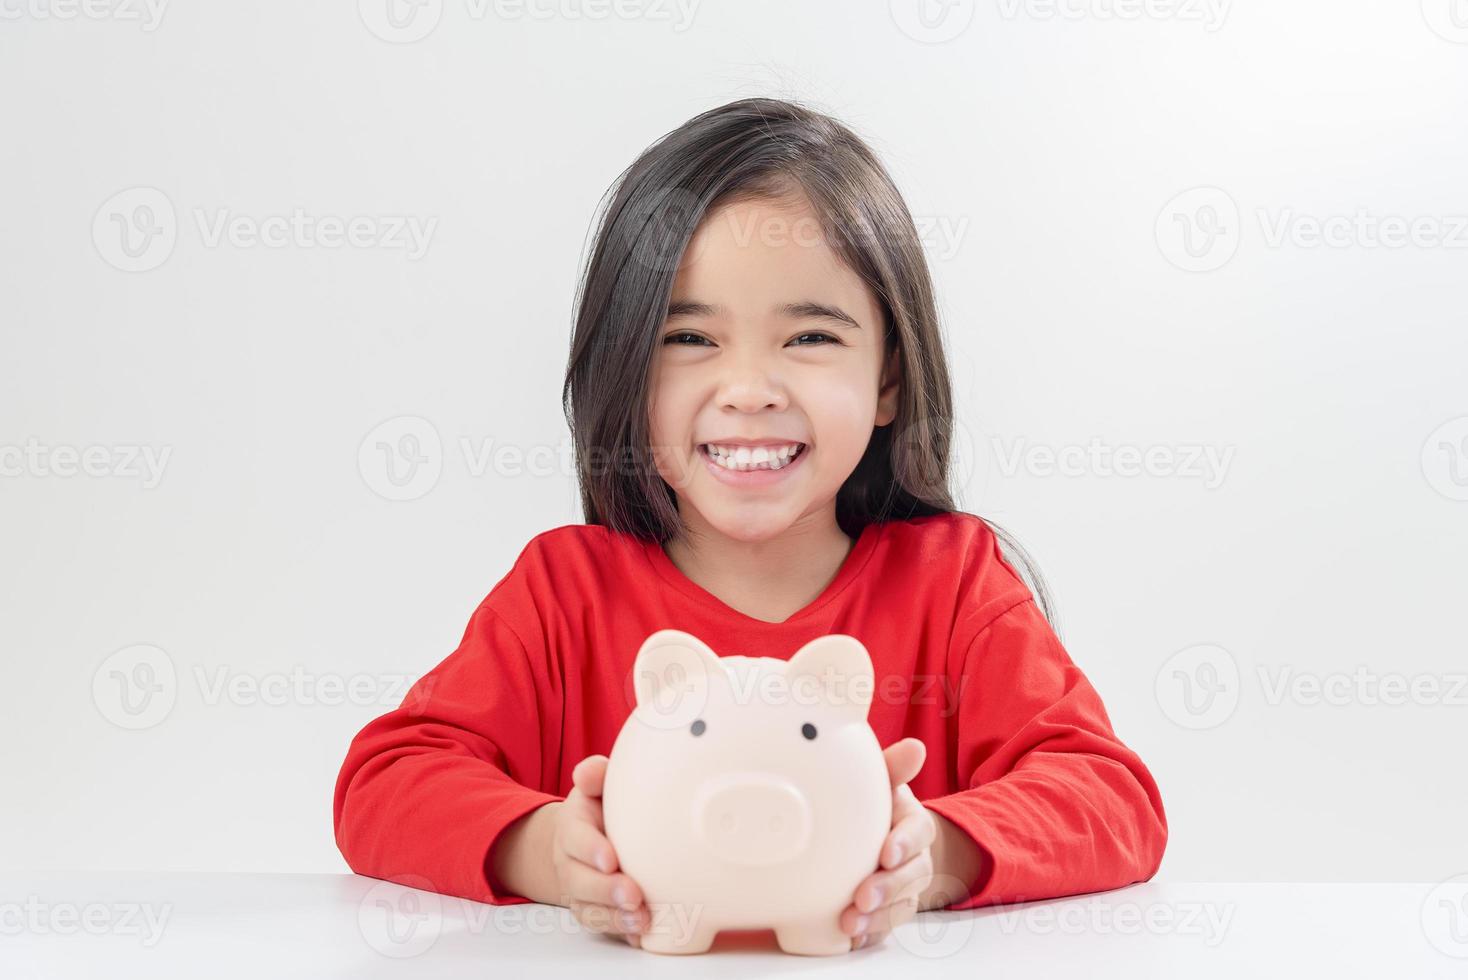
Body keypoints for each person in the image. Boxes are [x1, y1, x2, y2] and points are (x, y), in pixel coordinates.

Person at [333, 96, 1167, 953]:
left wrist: (929, 857)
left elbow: (1111, 798)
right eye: (690, 338)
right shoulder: (563, 594)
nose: (749, 389)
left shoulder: (953, 586)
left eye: (808, 336)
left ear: (888, 380)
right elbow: (384, 786)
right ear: (623, 367)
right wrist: (547, 851)